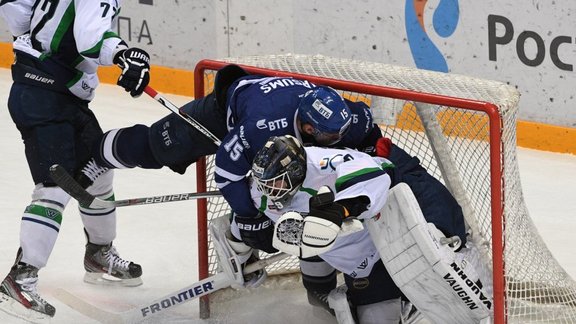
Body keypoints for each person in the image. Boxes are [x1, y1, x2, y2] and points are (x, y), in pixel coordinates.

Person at [90, 64, 382, 253]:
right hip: (223, 113)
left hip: (269, 116)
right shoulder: (261, 126)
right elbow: (227, 171)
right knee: (157, 148)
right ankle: (96, 154)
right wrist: (248, 216)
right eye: (331, 137)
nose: (339, 140)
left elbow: (367, 130)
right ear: (308, 128)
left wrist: (372, 151)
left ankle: (240, 246)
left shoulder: (337, 119)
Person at [0, 0, 151, 319]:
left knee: (98, 174)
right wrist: (124, 54)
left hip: (57, 96)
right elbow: (90, 38)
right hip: (45, 99)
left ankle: (99, 253)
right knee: (53, 189)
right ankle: (21, 279)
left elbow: (17, 10)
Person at [241, 135, 477, 323]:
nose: (268, 190)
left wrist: (341, 209)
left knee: (439, 264)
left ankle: (413, 295)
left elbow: (372, 177)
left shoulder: (324, 163)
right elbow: (245, 219)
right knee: (337, 306)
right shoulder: (258, 191)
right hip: (353, 259)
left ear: (294, 172)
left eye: (275, 183)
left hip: (386, 231)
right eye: (265, 183)